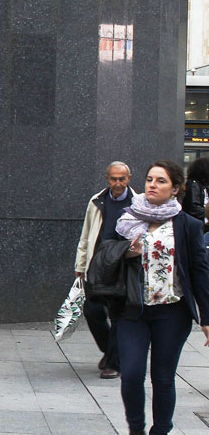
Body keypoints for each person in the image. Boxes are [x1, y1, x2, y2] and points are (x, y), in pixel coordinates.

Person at [113, 160, 209, 435]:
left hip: (172, 314)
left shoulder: (188, 226)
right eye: (150, 179)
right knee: (130, 374)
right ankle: (136, 431)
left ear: (175, 189)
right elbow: (107, 253)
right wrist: (126, 250)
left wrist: (206, 318)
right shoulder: (127, 217)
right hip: (132, 311)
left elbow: (199, 271)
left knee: (163, 379)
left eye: (161, 181)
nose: (152, 185)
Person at [73, 161, 136, 379]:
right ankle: (110, 350)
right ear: (107, 179)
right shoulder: (96, 201)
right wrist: (80, 266)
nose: (118, 183)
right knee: (92, 311)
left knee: (119, 315)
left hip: (123, 267)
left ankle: (113, 363)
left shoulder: (138, 203)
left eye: (122, 179)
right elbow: (86, 234)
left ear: (129, 178)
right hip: (98, 266)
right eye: (113, 179)